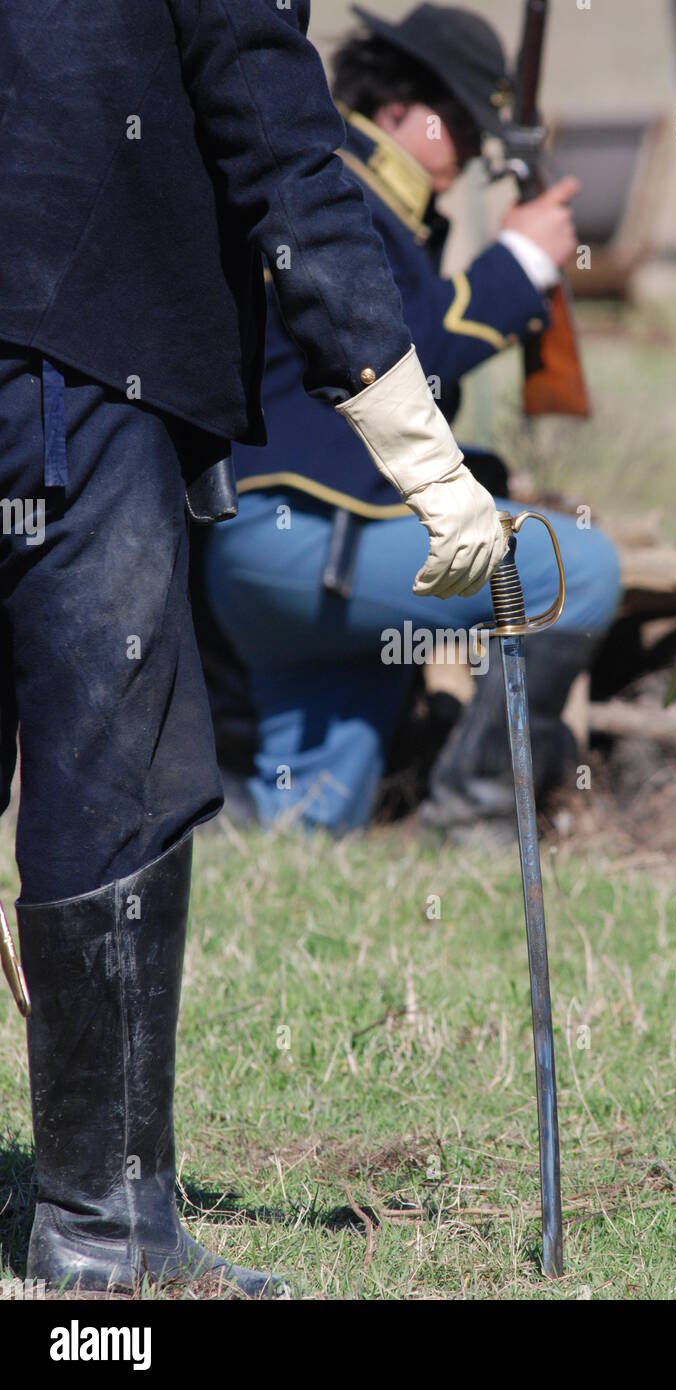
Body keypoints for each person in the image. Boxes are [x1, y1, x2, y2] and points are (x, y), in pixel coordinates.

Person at [0, 0, 502, 1295]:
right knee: (119, 778)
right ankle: (108, 1230)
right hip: (74, 354)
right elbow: (284, 160)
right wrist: (441, 483)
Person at [200, 3, 622, 836]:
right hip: (320, 537)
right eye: (459, 124)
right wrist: (520, 263)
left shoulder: (354, 192)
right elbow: (404, 362)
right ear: (398, 108)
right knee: (581, 573)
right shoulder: (339, 189)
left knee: (306, 826)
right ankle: (478, 817)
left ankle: (189, 829)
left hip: (275, 561)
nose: (467, 154)